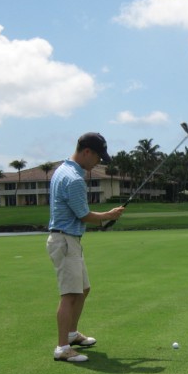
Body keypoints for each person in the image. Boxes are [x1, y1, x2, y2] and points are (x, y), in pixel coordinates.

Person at [47, 132, 125, 362]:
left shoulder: (63, 170)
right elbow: (83, 215)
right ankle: (62, 348)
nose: (98, 162)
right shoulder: (74, 179)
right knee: (70, 295)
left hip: (68, 240)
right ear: (87, 152)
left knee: (83, 289)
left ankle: (71, 334)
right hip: (65, 240)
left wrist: (107, 216)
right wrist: (109, 215)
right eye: (98, 157)